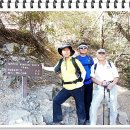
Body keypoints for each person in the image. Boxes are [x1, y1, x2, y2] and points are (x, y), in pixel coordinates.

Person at [41, 44, 86, 125]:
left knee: (80, 106)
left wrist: (81, 81)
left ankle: (82, 123)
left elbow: (83, 71)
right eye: (64, 50)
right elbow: (54, 69)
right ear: (61, 52)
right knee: (56, 101)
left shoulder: (75, 61)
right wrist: (44, 68)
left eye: (67, 50)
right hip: (66, 88)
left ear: (70, 52)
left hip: (77, 87)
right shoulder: (61, 61)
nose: (66, 52)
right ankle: (58, 121)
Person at [89, 48, 119, 125]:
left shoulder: (110, 64)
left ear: (105, 55)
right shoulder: (94, 66)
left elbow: (116, 77)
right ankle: (92, 125)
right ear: (96, 54)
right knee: (93, 106)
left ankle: (113, 125)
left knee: (113, 107)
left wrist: (112, 84)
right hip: (99, 88)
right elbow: (92, 78)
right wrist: (100, 83)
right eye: (99, 53)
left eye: (103, 53)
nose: (101, 55)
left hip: (111, 87)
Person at [76, 42, 94, 124]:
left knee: (88, 100)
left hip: (89, 83)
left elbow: (94, 69)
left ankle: (87, 117)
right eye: (81, 47)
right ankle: (81, 118)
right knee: (80, 101)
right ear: (78, 49)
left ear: (87, 49)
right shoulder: (76, 59)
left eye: (84, 47)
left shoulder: (90, 58)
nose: (83, 49)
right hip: (80, 83)